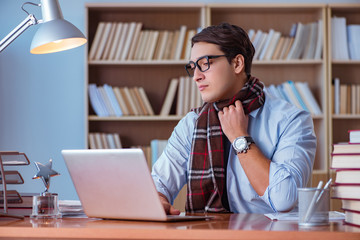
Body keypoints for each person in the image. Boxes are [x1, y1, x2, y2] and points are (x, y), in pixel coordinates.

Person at [151, 23, 316, 214]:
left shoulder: (292, 121)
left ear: (237, 63)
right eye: (193, 67)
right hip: (206, 233)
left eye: (205, 63)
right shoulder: (192, 124)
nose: (196, 76)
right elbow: (159, 184)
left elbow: (284, 199)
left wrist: (239, 137)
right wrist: (157, 199)